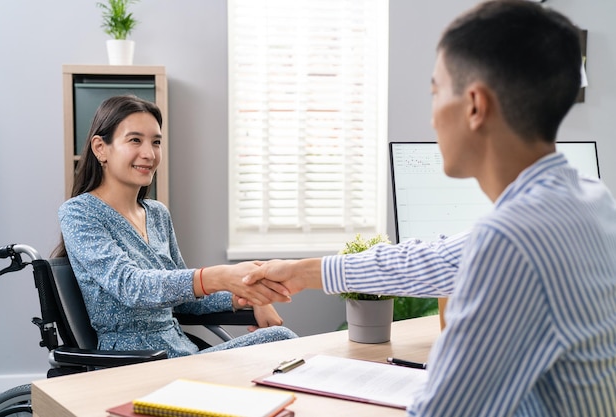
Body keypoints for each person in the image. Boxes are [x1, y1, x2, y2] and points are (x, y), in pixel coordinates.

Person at [244, 1, 616, 415]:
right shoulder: (588, 197)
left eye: (436, 91)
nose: (433, 116)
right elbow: (438, 261)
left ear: (475, 105)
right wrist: (304, 272)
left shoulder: (512, 239)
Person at [55, 94, 296, 358]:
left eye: (156, 142)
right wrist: (218, 276)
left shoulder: (157, 214)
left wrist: (245, 296)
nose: (149, 154)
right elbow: (130, 286)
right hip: (134, 362)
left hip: (181, 354)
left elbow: (183, 301)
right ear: (100, 147)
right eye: (135, 140)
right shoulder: (79, 213)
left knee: (279, 344)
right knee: (280, 342)